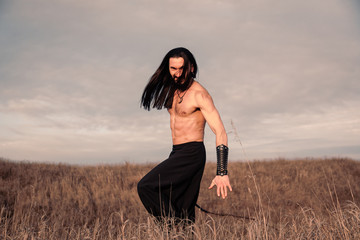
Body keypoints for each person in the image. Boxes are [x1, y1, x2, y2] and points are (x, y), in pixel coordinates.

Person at [137, 47, 232, 224]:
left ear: (191, 68)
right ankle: (180, 231)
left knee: (146, 186)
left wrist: (221, 171)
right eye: (173, 69)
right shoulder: (172, 89)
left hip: (192, 153)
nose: (178, 73)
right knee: (183, 208)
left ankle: (173, 228)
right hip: (177, 152)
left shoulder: (200, 95)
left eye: (182, 69)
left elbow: (220, 131)